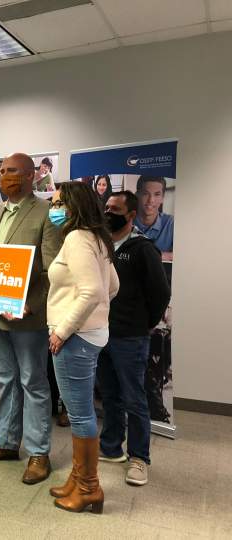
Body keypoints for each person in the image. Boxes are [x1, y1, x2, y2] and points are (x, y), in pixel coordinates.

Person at [0, 152, 62, 486]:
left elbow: (53, 270)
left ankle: (38, 453)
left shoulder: (47, 212)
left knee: (33, 382)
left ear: (30, 175)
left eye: (13, 171)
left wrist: (32, 305)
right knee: (5, 379)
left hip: (28, 317)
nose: (5, 176)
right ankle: (6, 443)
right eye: (2, 171)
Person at [46, 182, 119, 513]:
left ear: (74, 206)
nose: (54, 208)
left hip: (75, 338)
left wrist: (63, 330)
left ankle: (89, 488)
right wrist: (97, 314)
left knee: (80, 414)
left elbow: (92, 291)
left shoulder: (77, 238)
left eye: (58, 203)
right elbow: (112, 286)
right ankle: (78, 479)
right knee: (82, 411)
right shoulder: (97, 237)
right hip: (91, 333)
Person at [98, 191, 170, 486]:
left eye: (115, 209)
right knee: (109, 395)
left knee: (134, 398)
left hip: (130, 337)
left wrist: (146, 324)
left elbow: (160, 293)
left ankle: (139, 458)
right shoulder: (101, 245)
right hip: (100, 333)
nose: (108, 213)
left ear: (130, 215)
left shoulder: (143, 249)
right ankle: (111, 447)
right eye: (106, 207)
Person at [133, 176, 174, 260]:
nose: (151, 200)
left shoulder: (171, 223)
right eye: (145, 193)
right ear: (137, 195)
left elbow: (185, 253)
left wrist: (155, 255)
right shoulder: (125, 221)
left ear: (162, 198)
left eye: (157, 194)